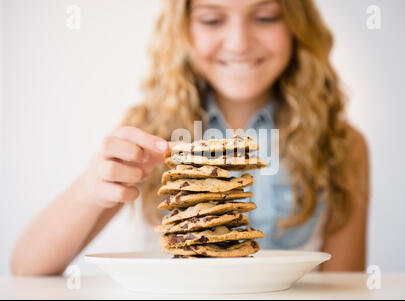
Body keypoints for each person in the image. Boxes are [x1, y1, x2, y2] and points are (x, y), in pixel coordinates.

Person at [10, 0, 369, 275]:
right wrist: (91, 188)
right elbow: (27, 269)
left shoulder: (341, 143)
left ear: (296, 25)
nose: (240, 42)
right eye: (212, 19)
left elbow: (344, 285)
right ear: (183, 30)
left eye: (265, 17)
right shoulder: (146, 131)